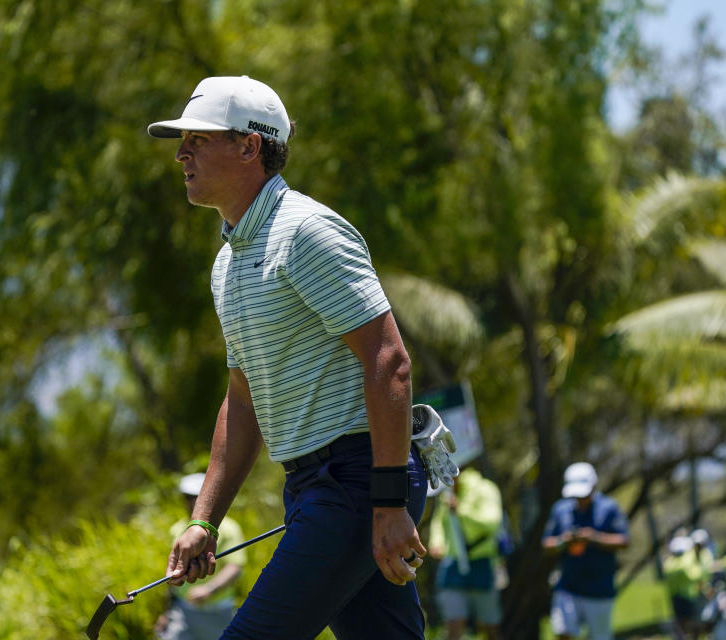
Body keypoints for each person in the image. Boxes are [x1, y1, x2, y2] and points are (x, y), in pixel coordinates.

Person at [147, 75, 456, 639]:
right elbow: (242, 401)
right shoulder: (229, 263)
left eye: (199, 137)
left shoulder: (305, 231)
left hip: (360, 482)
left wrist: (387, 504)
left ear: (250, 146)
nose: (181, 153)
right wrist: (204, 521)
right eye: (181, 140)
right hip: (316, 487)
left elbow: (389, 361)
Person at [542, 461, 629, 640]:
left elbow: (623, 541)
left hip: (599, 589)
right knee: (563, 633)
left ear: (594, 486)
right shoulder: (561, 509)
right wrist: (563, 541)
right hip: (568, 586)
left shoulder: (609, 508)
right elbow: (546, 544)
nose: (580, 498)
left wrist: (593, 538)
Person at [156, 472, 247, 640]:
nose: (191, 502)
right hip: (183, 610)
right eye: (187, 497)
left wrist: (209, 590)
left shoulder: (229, 528)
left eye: (195, 497)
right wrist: (167, 611)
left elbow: (235, 567)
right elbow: (173, 574)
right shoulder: (177, 529)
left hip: (217, 611)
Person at [428, 465, 505, 640]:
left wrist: (461, 510)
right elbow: (440, 520)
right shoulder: (447, 489)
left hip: (482, 562)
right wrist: (436, 542)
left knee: (490, 626)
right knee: (453, 626)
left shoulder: (485, 488)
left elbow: (492, 523)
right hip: (452, 564)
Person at [664, 534, 705, 640]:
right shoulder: (684, 561)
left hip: (683, 596)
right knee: (685, 623)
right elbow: (694, 575)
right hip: (685, 596)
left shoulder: (672, 562)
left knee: (686, 622)